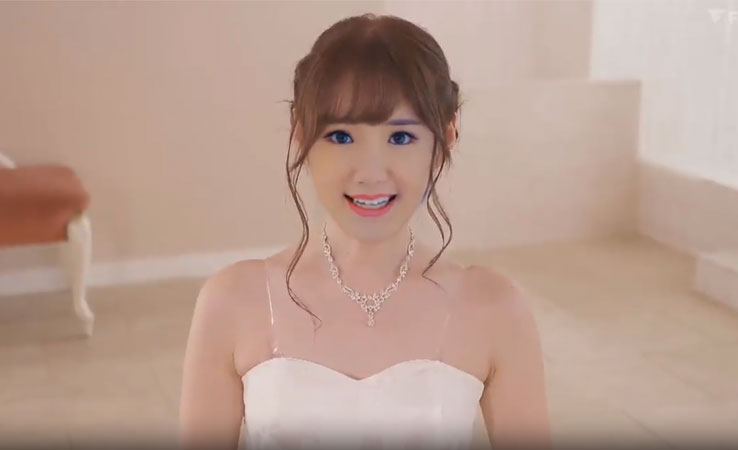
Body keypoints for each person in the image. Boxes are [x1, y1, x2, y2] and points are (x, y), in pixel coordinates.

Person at [179, 12, 550, 450]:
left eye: (400, 138)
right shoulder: (232, 300)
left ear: (446, 138)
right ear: (301, 135)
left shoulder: (495, 307)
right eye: (340, 136)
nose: (371, 174)